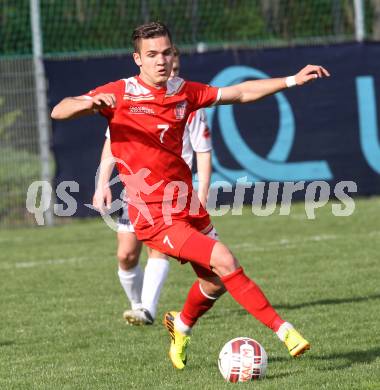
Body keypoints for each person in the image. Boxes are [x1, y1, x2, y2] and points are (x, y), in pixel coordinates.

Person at [51, 21, 330, 370]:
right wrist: (91, 102)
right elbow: (59, 110)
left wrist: (292, 80)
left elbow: (240, 93)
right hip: (152, 214)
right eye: (151, 54)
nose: (161, 60)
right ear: (137, 59)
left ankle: (180, 326)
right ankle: (285, 331)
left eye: (167, 52)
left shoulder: (184, 91)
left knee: (214, 282)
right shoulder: (121, 93)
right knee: (225, 261)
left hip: (186, 205)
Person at [92, 46, 215, 325]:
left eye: (175, 69)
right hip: (137, 189)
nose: (169, 72)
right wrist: (102, 184)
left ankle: (147, 308)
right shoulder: (130, 102)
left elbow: (203, 151)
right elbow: (112, 144)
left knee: (158, 248)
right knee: (126, 254)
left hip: (172, 191)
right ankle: (137, 303)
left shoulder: (189, 106)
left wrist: (203, 192)